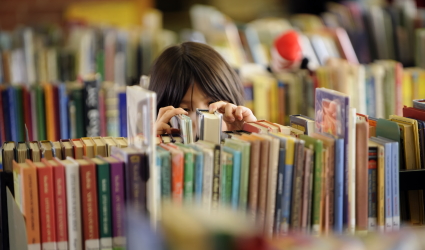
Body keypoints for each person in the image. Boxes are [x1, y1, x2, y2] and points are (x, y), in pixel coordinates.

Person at [148, 41, 257, 137]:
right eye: (184, 110)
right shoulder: (151, 143)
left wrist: (250, 138)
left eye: (213, 104)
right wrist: (157, 147)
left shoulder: (243, 133)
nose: (201, 121)